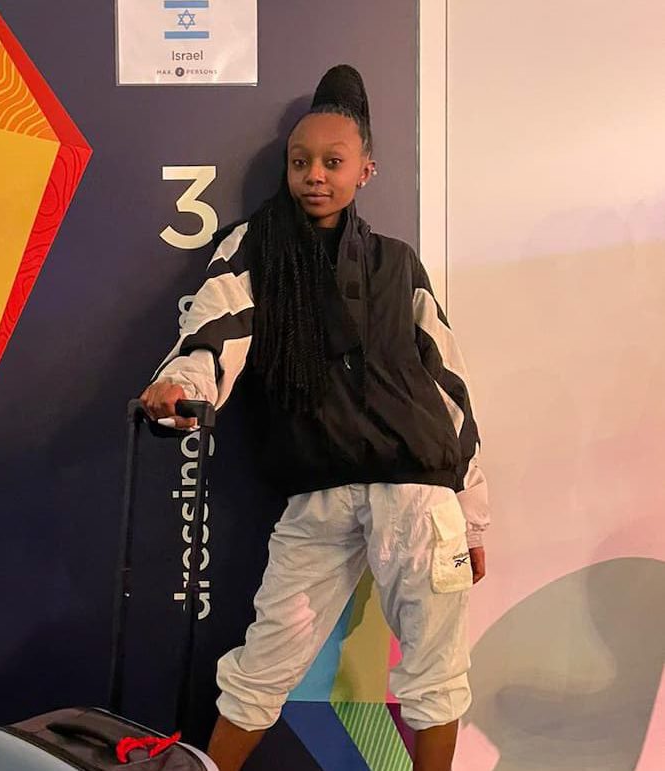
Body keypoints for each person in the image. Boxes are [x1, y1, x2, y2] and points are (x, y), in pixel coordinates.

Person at [139, 65, 489, 771]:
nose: (315, 176)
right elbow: (215, 329)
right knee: (262, 665)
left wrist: (473, 516)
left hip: (417, 494)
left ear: (366, 169)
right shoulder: (254, 247)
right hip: (317, 493)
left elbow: (449, 387)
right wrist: (177, 386)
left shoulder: (397, 263)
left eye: (333, 162)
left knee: (435, 674)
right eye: (301, 162)